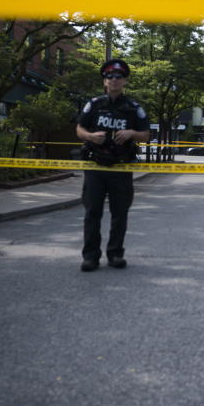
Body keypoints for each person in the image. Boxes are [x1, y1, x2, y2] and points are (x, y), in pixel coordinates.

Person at [76, 58, 151, 272]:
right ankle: (90, 257)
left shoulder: (134, 108)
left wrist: (132, 134)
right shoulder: (94, 104)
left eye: (118, 77)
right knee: (92, 213)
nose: (114, 80)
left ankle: (115, 254)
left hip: (121, 167)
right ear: (104, 81)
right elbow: (79, 129)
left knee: (120, 214)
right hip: (95, 167)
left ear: (125, 80)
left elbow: (146, 135)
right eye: (110, 77)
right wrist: (90, 136)